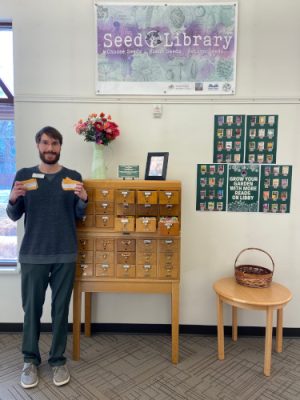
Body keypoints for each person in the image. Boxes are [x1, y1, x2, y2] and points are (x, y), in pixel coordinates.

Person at [6, 126, 88, 389]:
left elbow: (79, 215)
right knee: (32, 310)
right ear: (38, 145)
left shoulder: (73, 177)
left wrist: (84, 200)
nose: (49, 148)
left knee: (61, 310)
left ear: (60, 147)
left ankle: (57, 360)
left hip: (65, 253)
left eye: (54, 143)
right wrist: (12, 198)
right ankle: (30, 360)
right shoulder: (24, 176)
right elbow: (14, 215)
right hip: (33, 254)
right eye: (45, 143)